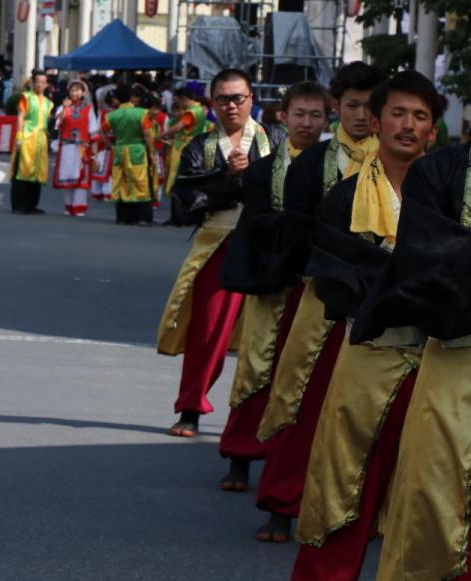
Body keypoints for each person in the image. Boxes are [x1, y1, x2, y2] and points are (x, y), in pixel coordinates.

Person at [279, 71, 435, 581]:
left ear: (434, 130)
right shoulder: (346, 190)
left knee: (437, 486)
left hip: (441, 356)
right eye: (397, 113)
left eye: (420, 117)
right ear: (377, 117)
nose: (406, 125)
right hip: (370, 347)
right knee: (342, 473)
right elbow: (331, 267)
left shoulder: (447, 189)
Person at [343, 75, 471, 581]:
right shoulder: (440, 175)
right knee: (430, 512)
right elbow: (430, 265)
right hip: (454, 360)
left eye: (420, 115)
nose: (408, 127)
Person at [253, 62, 384, 543]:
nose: (362, 115)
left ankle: (363, 510)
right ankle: (282, 503)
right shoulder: (314, 162)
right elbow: (295, 231)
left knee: (369, 411)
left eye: (373, 106)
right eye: (352, 105)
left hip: (377, 306)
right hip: (318, 298)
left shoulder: (405, 168)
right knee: (300, 397)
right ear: (337, 108)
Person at [214, 82, 329, 494]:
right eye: (299, 113)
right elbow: (256, 224)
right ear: (283, 115)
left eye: (316, 115)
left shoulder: (337, 167)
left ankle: (292, 467)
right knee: (255, 368)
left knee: (305, 377)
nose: (307, 122)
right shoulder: (263, 168)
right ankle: (241, 457)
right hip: (271, 280)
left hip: (314, 287)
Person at [158, 69, 278, 437]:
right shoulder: (200, 146)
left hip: (268, 245)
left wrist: (251, 176)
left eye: (238, 98)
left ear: (251, 99)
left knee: (271, 337)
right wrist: (227, 178)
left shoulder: (276, 140)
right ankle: (191, 407)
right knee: (207, 332)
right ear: (212, 104)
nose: (232, 106)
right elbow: (184, 201)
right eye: (224, 99)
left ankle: (264, 420)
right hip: (220, 243)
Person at [101, 85, 156, 225]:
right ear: (131, 97)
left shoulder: (111, 115)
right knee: (140, 182)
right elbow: (147, 134)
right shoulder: (142, 113)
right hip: (137, 149)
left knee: (121, 182)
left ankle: (122, 217)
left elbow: (101, 132)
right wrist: (152, 152)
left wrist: (110, 145)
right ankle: (143, 217)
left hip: (119, 149)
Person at [51, 80, 97, 217]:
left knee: (81, 176)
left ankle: (79, 206)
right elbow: (57, 125)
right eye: (72, 90)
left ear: (83, 92)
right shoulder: (63, 108)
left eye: (77, 90)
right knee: (67, 176)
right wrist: (65, 109)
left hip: (82, 148)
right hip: (67, 147)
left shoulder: (89, 109)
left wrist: (94, 152)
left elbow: (93, 131)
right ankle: (68, 205)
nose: (74, 93)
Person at [10, 70, 51, 215]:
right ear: (33, 83)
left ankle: (32, 204)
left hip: (41, 140)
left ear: (46, 84)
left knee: (37, 172)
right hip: (27, 137)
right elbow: (21, 116)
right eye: (37, 82)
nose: (40, 84)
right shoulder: (26, 97)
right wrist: (19, 137)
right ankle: (19, 205)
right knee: (22, 171)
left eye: (43, 82)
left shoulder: (48, 102)